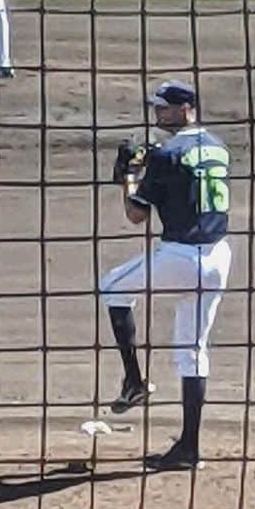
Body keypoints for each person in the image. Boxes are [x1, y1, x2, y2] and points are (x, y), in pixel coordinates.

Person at [100, 81, 231, 471]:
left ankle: (134, 382)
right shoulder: (218, 147)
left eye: (166, 108)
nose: (159, 113)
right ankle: (188, 448)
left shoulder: (168, 154)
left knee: (112, 288)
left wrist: (129, 176)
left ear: (186, 108)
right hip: (218, 258)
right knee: (193, 352)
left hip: (180, 256)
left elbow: (136, 215)